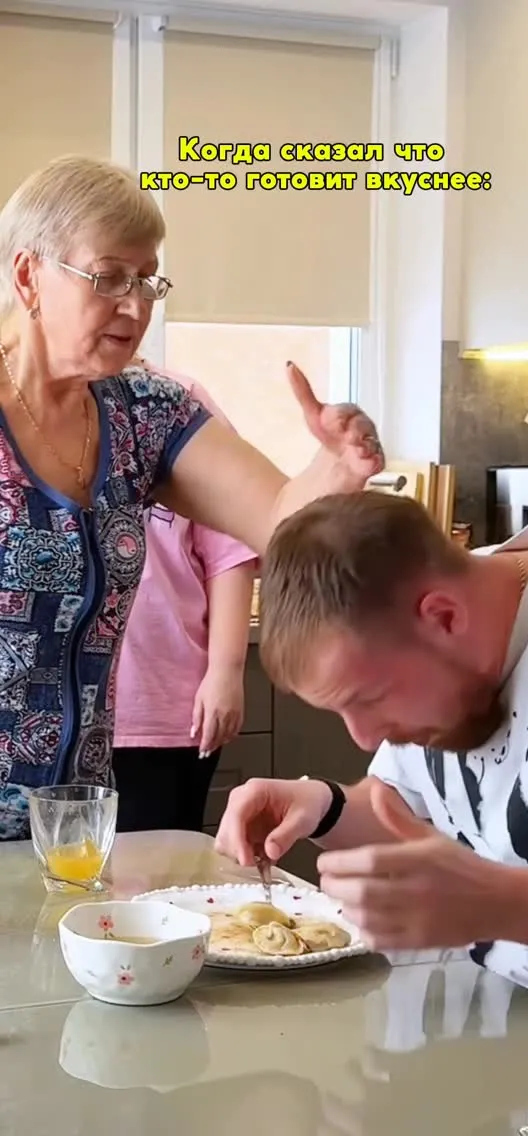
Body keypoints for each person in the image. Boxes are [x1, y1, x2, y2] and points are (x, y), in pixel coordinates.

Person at [0, 154, 383, 841]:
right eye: (109, 277)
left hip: (73, 826)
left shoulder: (145, 413)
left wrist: (334, 468)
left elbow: (279, 519)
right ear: (29, 275)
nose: (135, 305)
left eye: (147, 280)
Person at [216, 490, 528, 1030]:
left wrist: (501, 903)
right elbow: (415, 809)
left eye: (370, 700)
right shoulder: (450, 609)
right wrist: (324, 807)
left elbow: (480, 886)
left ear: (443, 617)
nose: (364, 738)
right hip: (500, 1022)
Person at [112, 363, 256, 832]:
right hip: (33, 719)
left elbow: (230, 551)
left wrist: (226, 670)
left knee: (161, 871)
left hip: (161, 709)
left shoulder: (177, 404)